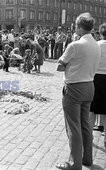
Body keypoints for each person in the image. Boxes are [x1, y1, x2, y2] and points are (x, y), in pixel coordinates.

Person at [56, 13, 101, 170]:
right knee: (85, 125)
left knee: (73, 126)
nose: (75, 29)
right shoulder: (96, 44)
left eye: (76, 26)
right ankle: (87, 158)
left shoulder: (75, 45)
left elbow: (59, 66)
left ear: (80, 27)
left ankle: (75, 164)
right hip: (89, 85)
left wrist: (70, 65)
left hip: (74, 87)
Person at [90, 23, 106, 147]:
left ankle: (89, 135)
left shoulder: (96, 45)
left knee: (92, 108)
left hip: (96, 77)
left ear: (100, 33)